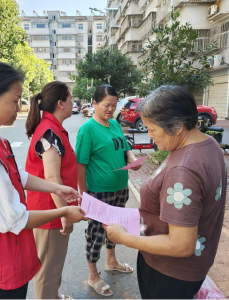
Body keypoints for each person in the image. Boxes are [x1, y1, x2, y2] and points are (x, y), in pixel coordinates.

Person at [0, 62, 87, 299]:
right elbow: (15, 219)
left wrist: (57, 188)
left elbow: (17, 175)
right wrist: (63, 212)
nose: (19, 107)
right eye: (15, 100)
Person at [103, 85, 227, 299]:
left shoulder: (184, 169)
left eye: (152, 129)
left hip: (169, 272)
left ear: (177, 126)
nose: (150, 137)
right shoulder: (208, 144)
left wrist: (123, 238)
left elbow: (180, 245)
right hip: (189, 267)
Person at [75, 85, 141, 297]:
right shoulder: (88, 130)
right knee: (96, 233)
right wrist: (84, 197)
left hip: (120, 187)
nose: (111, 109)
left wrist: (132, 160)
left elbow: (125, 148)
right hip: (99, 192)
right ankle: (93, 275)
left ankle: (111, 261)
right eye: (106, 105)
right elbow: (80, 164)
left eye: (114, 105)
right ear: (94, 103)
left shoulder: (114, 124)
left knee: (116, 227)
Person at [25, 81, 78, 299]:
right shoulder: (49, 133)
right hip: (50, 212)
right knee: (47, 271)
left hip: (52, 209)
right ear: (60, 103)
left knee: (53, 264)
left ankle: (53, 296)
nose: (73, 102)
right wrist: (64, 212)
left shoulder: (53, 129)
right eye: (71, 98)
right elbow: (52, 177)